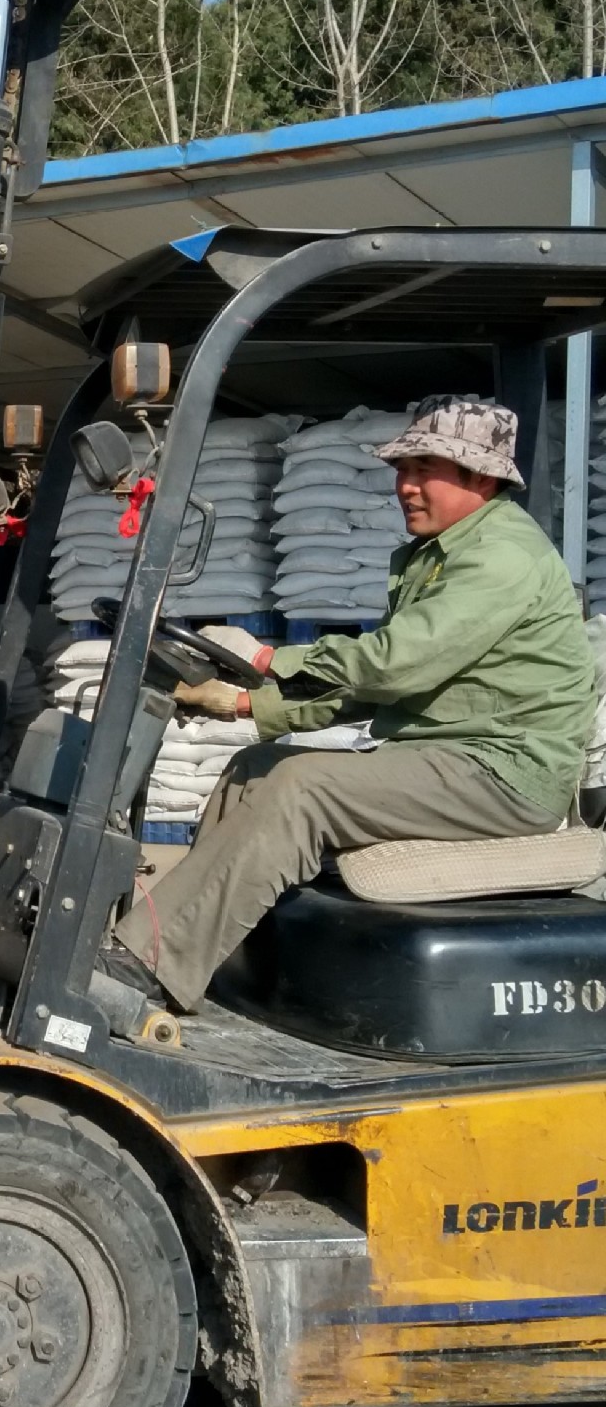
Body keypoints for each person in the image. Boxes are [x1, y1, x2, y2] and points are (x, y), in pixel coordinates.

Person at [99, 394, 597, 1015]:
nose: (405, 486)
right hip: (448, 757)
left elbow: (393, 664)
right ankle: (226, 960)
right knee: (256, 769)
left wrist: (265, 658)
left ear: (482, 478)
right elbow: (371, 690)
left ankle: (144, 965)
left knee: (302, 789)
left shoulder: (501, 555)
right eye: (402, 469)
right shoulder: (436, 557)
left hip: (501, 773)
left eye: (424, 470)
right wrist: (245, 705)